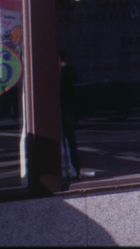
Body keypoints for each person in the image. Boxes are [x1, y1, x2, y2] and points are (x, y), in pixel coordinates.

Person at [60, 49, 80, 180]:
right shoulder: (71, 70)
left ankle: (66, 171)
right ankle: (74, 171)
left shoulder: (61, 72)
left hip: (62, 112)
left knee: (62, 144)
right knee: (70, 142)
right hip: (70, 112)